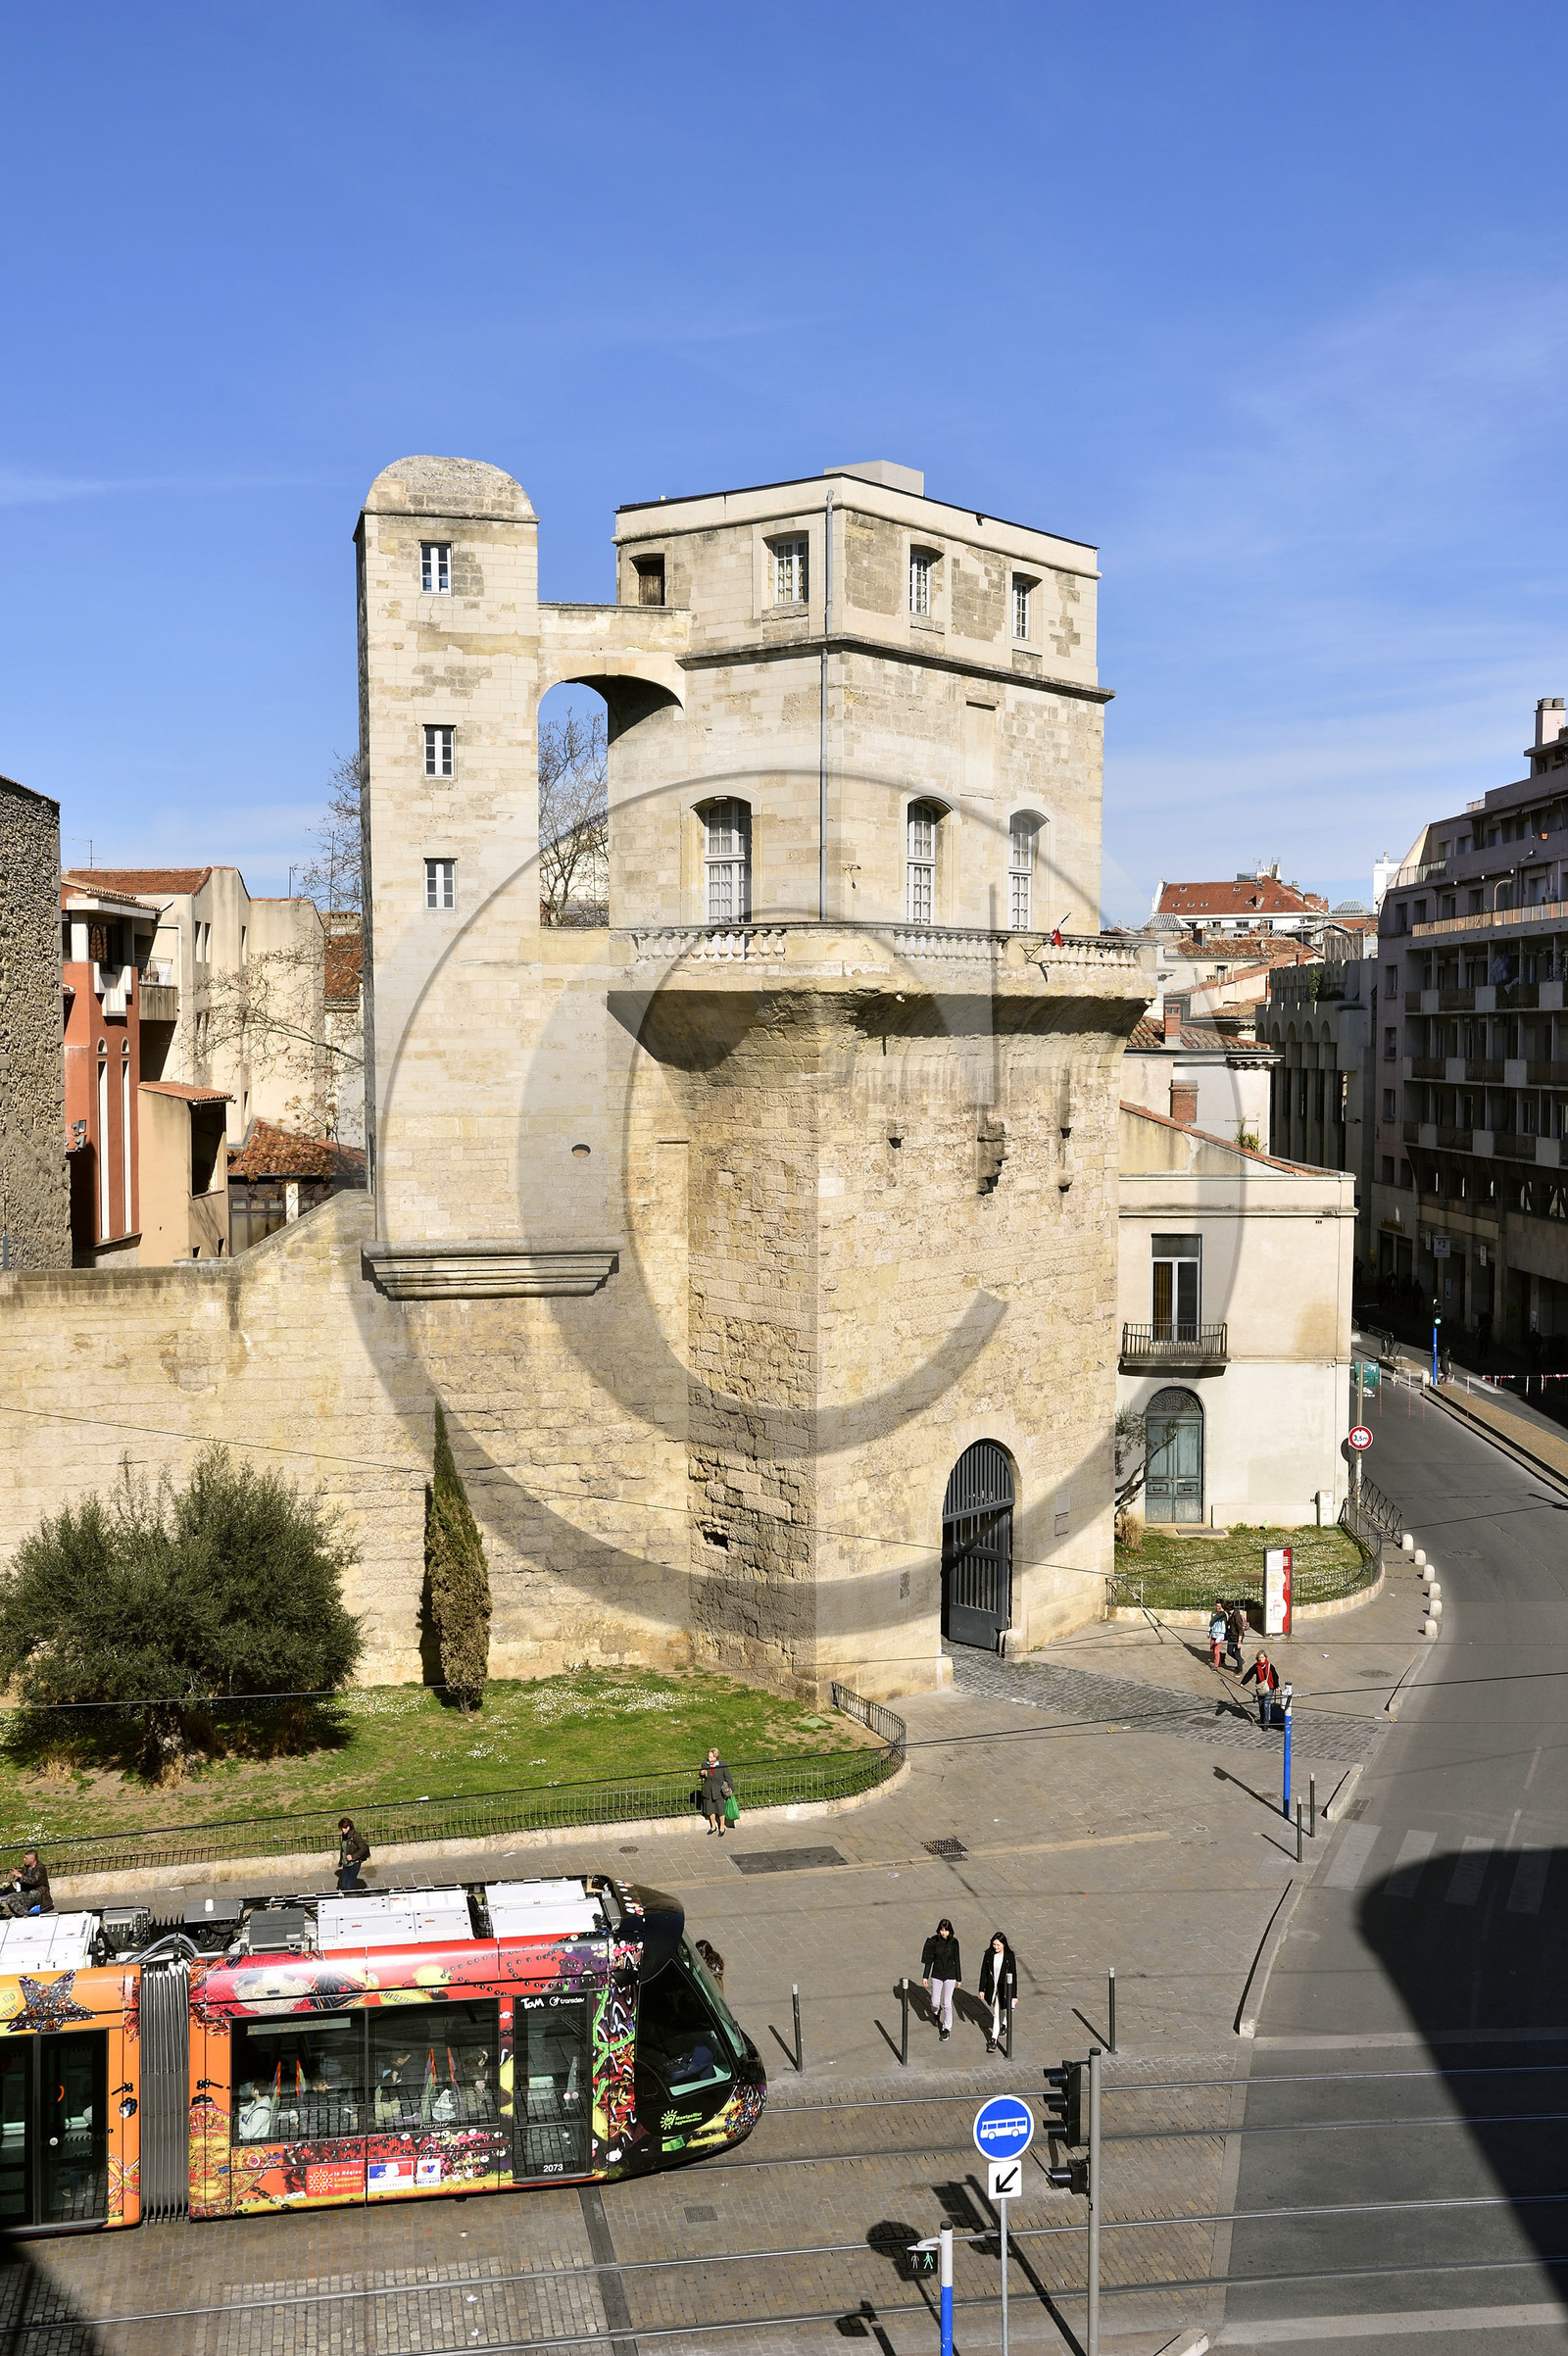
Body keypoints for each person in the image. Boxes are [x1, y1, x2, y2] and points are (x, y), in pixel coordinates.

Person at [921, 1917, 961, 2042]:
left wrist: (959, 1979)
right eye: (942, 1930)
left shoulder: (954, 1943)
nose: (944, 1933)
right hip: (937, 1974)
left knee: (947, 2003)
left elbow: (957, 1960)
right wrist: (925, 1976)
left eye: (946, 1930)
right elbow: (929, 1960)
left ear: (950, 1931)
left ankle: (946, 2028)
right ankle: (936, 2012)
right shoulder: (933, 1942)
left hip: (950, 1975)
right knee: (934, 2002)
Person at [978, 1932, 1018, 2054]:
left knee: (1002, 2011)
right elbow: (983, 1972)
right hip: (993, 1988)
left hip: (1004, 1989)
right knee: (997, 2013)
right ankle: (997, 2034)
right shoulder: (989, 1954)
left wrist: (1014, 1995)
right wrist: (981, 1989)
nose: (996, 1947)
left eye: (998, 1945)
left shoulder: (1009, 1956)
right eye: (994, 1944)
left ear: (1004, 1944)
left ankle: (999, 2031)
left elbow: (1013, 1975)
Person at [0, 1850, 52, 1918]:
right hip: (27, 1892)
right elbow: (23, 1878)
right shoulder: (26, 1867)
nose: (24, 1859)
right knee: (11, 1898)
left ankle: (27, 1915)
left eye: (26, 1858)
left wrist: (20, 1876)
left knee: (11, 1898)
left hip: (39, 1892)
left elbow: (34, 1880)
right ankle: (25, 1914)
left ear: (32, 1859)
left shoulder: (40, 1867)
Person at [697, 1749, 734, 1838]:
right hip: (708, 1790)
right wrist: (701, 1773)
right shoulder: (705, 1764)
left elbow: (728, 1776)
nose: (709, 1758)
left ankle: (722, 1827)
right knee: (710, 1810)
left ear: (716, 1757)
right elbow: (702, 1775)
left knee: (720, 1810)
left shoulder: (722, 1765)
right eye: (709, 1756)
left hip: (719, 1791)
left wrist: (731, 1788)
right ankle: (713, 1826)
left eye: (711, 1757)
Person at [1241, 1649, 1280, 1729]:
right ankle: (1262, 1720)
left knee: (1266, 1704)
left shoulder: (1270, 1666)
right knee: (1261, 1705)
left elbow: (1275, 1676)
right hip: (1260, 1688)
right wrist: (1243, 1683)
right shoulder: (1256, 1666)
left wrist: (1277, 1686)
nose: (1260, 1659)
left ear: (1265, 1657)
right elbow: (1249, 1674)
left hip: (1269, 1688)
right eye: (1259, 1658)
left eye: (1262, 1657)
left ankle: (1266, 1724)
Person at [336, 1817, 369, 1893]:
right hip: (346, 1863)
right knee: (344, 1885)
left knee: (350, 1885)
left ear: (348, 1827)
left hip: (354, 1862)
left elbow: (363, 1848)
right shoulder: (344, 1835)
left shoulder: (355, 1836)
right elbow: (343, 1849)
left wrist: (353, 1856)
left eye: (343, 1829)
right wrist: (341, 1861)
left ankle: (354, 1898)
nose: (342, 1831)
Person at [1223, 1602, 1248, 1675]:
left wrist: (1239, 1641)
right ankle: (1241, 1661)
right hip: (1231, 1636)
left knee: (1237, 1654)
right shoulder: (1231, 1614)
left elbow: (1240, 1629)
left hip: (1237, 1638)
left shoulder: (1236, 1616)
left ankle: (1240, 1670)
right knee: (1229, 1651)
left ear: (1228, 1609)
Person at [1206, 1605, 1226, 1670]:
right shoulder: (1213, 1613)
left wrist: (1219, 1637)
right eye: (1217, 1606)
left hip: (1219, 1636)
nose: (1218, 1608)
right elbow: (1211, 1623)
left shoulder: (1223, 1616)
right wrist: (1209, 1631)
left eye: (1219, 1607)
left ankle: (1215, 1665)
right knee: (1212, 1650)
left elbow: (1223, 1628)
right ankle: (1222, 1655)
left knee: (1216, 1652)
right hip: (1213, 1634)